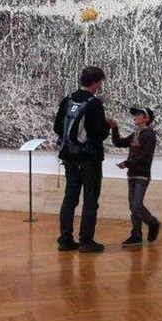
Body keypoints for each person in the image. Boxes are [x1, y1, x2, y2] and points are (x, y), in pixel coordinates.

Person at [53, 66, 111, 253]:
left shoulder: (67, 100)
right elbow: (99, 134)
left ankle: (65, 240)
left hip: (69, 157)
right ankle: (86, 241)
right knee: (90, 199)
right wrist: (108, 126)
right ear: (95, 82)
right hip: (90, 159)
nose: (99, 87)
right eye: (99, 83)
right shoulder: (94, 104)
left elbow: (57, 127)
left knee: (70, 198)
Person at [108, 106, 161, 247]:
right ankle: (136, 235)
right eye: (135, 114)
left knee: (136, 205)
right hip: (132, 174)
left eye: (139, 114)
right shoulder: (135, 133)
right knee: (133, 207)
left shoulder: (149, 135)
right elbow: (118, 143)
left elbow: (145, 157)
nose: (135, 116)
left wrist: (127, 163)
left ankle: (152, 222)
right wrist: (114, 128)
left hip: (142, 175)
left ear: (146, 118)